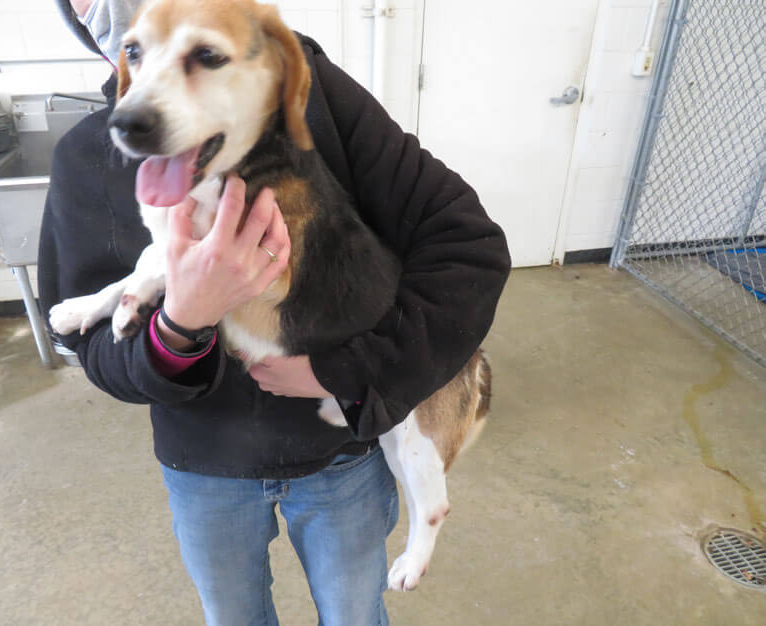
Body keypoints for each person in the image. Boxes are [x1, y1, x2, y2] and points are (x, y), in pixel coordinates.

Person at [40, 1, 511, 624]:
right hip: (204, 463)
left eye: (206, 56)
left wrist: (348, 372)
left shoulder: (310, 87)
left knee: (353, 614)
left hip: (343, 449)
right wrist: (180, 325)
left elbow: (466, 247)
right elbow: (97, 353)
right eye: (136, 46)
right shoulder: (84, 156)